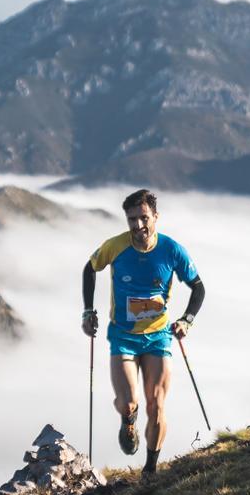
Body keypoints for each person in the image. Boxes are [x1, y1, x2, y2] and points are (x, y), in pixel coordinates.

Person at [81, 188, 206, 475]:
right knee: (128, 403)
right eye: (132, 220)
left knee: (157, 405)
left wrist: (187, 320)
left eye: (143, 218)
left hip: (158, 336)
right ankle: (128, 421)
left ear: (155, 217)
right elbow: (90, 268)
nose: (138, 225)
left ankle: (150, 470)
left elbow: (198, 287)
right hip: (123, 337)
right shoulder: (116, 246)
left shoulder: (172, 250)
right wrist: (88, 311)